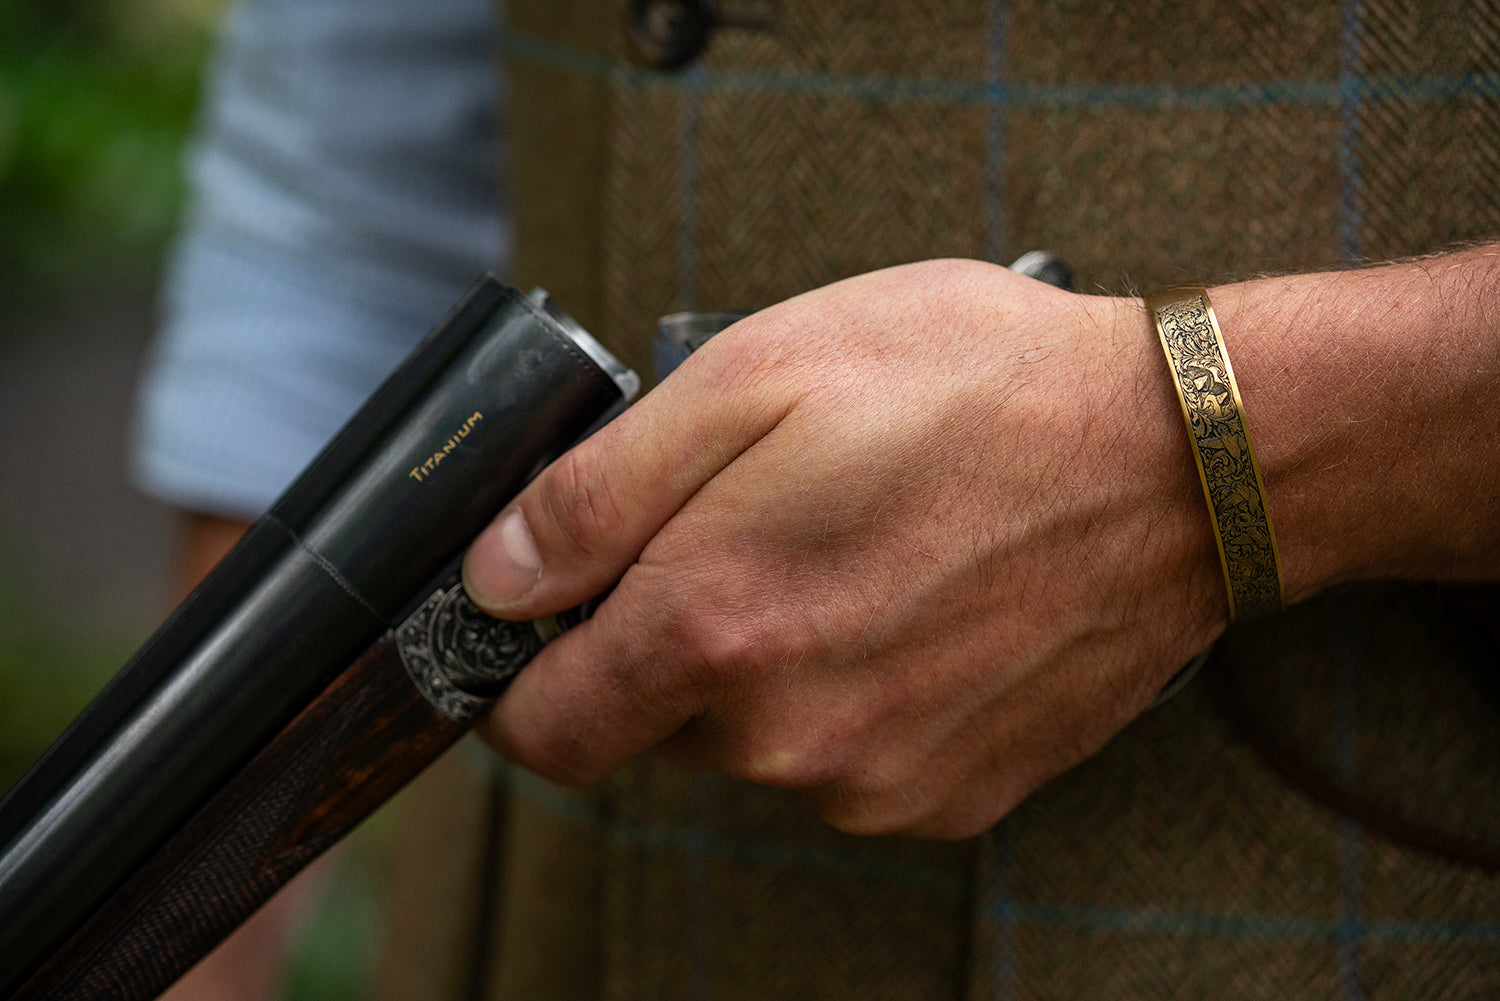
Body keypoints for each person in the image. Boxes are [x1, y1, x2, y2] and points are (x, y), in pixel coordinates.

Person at [136, 0, 1500, 998]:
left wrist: (1194, 450)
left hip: (1334, 897)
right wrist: (175, 932)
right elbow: (351, 209)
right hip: (537, 922)